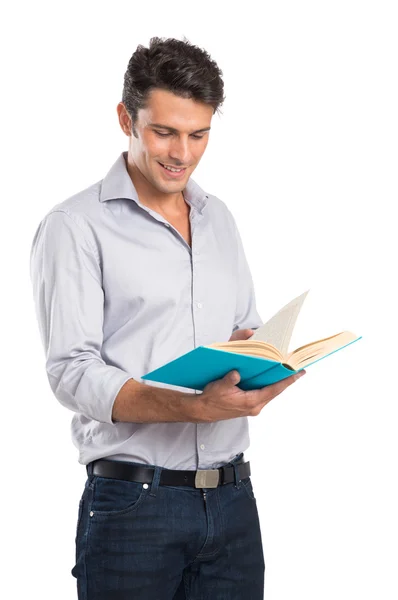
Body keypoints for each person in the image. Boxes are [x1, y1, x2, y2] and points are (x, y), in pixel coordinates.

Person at [30, 36, 305, 600]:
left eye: (199, 134)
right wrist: (190, 406)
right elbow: (72, 371)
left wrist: (265, 360)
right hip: (135, 507)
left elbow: (240, 328)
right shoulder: (74, 226)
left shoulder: (218, 217)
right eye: (165, 132)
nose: (183, 153)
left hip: (233, 502)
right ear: (125, 119)